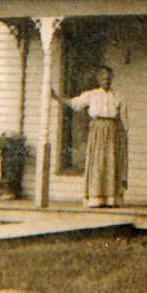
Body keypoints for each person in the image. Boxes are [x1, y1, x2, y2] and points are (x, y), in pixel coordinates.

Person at [55, 65, 127, 208]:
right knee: (98, 162)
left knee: (111, 162)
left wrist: (124, 134)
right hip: (97, 130)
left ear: (112, 79)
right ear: (98, 80)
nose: (106, 81)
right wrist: (57, 98)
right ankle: (96, 198)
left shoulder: (117, 96)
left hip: (113, 130)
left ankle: (111, 199)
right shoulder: (92, 95)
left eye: (108, 78)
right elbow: (74, 104)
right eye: (103, 78)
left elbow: (124, 118)